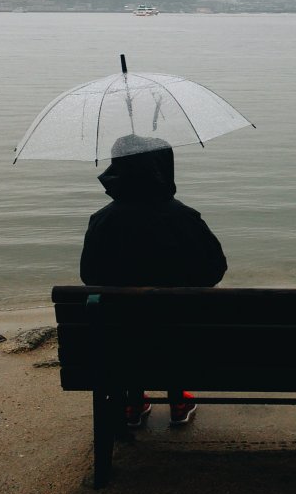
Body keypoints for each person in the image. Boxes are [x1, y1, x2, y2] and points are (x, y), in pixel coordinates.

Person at [80, 133, 227, 427]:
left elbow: (89, 276)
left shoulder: (103, 221)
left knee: (126, 322)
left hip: (121, 340)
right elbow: (215, 270)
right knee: (173, 321)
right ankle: (177, 400)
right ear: (163, 167)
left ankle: (134, 402)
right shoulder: (185, 218)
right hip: (185, 339)